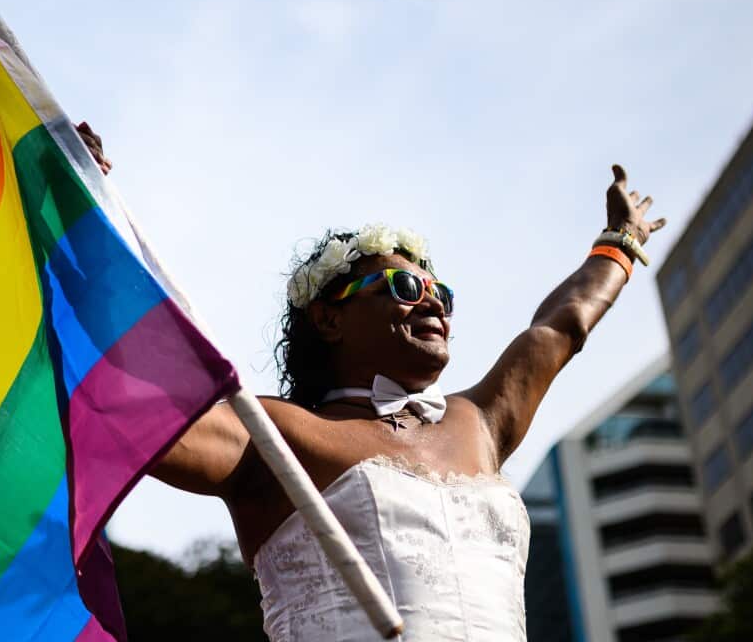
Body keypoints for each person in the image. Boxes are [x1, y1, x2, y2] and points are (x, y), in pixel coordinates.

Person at [77, 122, 666, 641]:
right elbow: (124, 404)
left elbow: (558, 329)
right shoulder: (272, 431)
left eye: (441, 294)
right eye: (405, 289)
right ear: (329, 318)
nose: (432, 303)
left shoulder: (479, 422)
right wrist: (81, 217)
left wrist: (617, 243)